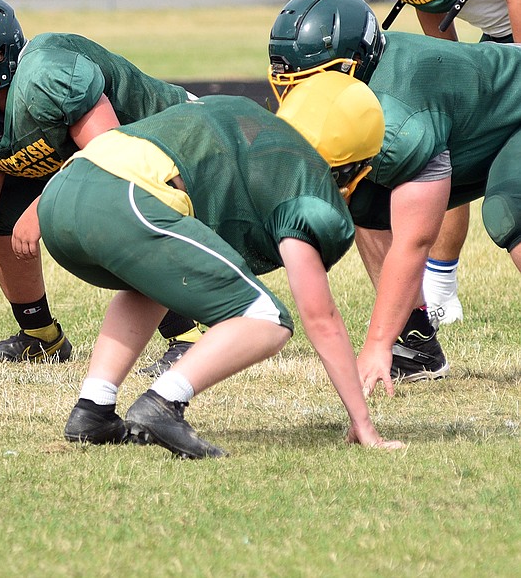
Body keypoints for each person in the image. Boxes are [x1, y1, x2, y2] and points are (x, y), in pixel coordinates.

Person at [44, 73, 403, 458]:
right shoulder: (303, 177)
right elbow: (320, 316)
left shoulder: (245, 117)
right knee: (266, 317)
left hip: (63, 191)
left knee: (155, 284)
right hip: (125, 199)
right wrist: (363, 423)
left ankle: (93, 409)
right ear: (350, 166)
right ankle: (164, 401)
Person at [0, 0, 202, 368]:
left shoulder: (45, 74)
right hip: (105, 157)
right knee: (0, 212)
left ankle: (187, 335)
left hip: (179, 142)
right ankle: (40, 336)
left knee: (114, 204)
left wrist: (45, 204)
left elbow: (111, 156)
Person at [269, 0, 521, 395]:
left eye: (312, 80)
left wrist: (375, 345)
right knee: (356, 191)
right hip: (478, 134)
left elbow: (416, 240)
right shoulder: (365, 98)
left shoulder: (396, 121)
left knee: (509, 209)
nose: (302, 95)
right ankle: (417, 342)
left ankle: (393, 340)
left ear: (354, 66)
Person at [328, 0, 521, 326]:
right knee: (441, 145)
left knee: (509, 193)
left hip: (515, 35)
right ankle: (439, 293)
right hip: (495, 39)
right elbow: (433, 12)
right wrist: (449, 85)